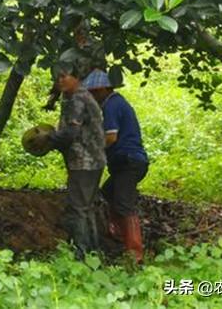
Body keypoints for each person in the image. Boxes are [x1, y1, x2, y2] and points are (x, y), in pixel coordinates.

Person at [83, 69, 148, 263]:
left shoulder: (111, 104)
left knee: (124, 204)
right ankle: (119, 235)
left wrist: (91, 147)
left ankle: (134, 254)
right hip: (128, 161)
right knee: (109, 191)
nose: (92, 96)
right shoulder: (115, 102)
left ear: (103, 89)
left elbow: (111, 137)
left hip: (129, 161)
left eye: (93, 92)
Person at [45, 65, 106, 260]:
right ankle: (94, 253)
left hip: (84, 160)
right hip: (94, 160)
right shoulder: (84, 96)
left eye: (65, 76)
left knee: (78, 208)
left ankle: (82, 255)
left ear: (77, 78)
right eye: (58, 77)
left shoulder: (77, 99)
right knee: (86, 208)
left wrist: (49, 139)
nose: (60, 80)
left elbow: (71, 132)